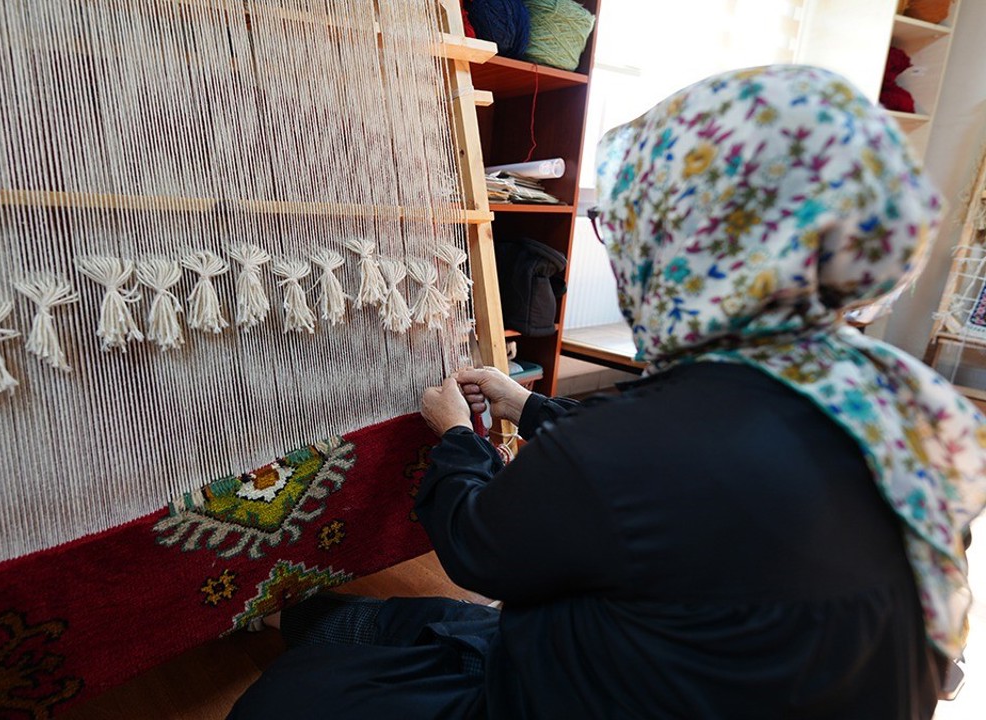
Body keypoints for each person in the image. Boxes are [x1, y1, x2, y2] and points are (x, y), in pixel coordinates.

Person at [228, 65, 986, 719]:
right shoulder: (914, 405)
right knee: (387, 629)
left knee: (284, 699)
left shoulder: (641, 445)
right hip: (771, 679)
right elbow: (686, 479)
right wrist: (528, 405)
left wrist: (459, 437)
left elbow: (478, 547)